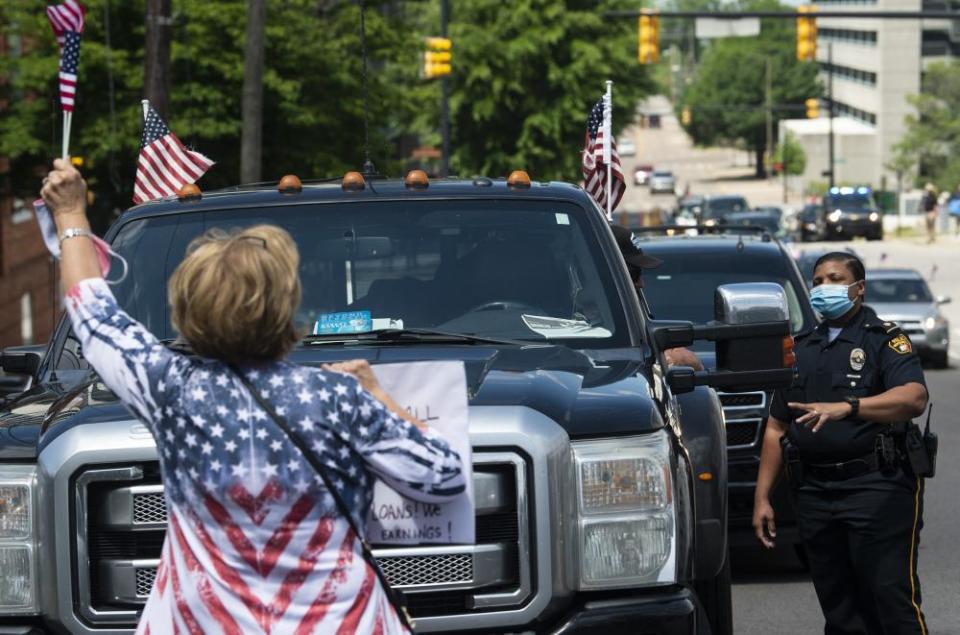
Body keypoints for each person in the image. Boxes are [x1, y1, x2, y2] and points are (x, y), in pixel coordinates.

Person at [40, 159, 465, 634]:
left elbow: (94, 314)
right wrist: (379, 395)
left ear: (186, 308)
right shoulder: (340, 398)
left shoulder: (170, 388)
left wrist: (70, 214)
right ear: (286, 304)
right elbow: (442, 476)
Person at [752, 251, 929, 634]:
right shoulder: (800, 348)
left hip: (877, 486)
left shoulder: (884, 339)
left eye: (834, 279)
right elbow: (776, 427)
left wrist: (849, 407)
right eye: (817, 281)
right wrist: (763, 497)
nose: (823, 288)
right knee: (840, 607)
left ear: (858, 288)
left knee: (889, 599)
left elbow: (914, 398)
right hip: (815, 492)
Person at [610, 224, 704, 370]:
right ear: (607, 270)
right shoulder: (579, 318)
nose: (641, 283)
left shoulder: (627, 314)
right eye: (634, 273)